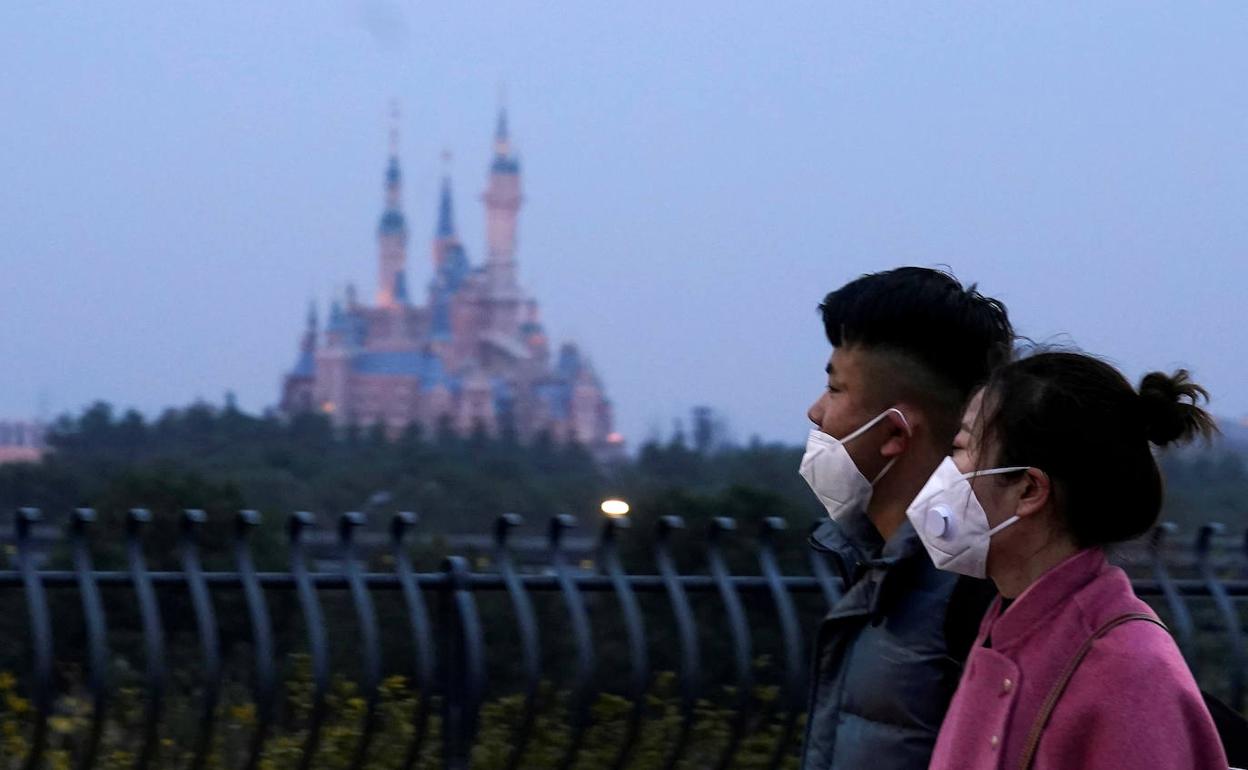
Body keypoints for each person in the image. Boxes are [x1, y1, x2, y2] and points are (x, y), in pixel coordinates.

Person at [913, 352, 1228, 769]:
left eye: (961, 447)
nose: (945, 472)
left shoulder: (1129, 669)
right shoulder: (1009, 623)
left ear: (1028, 490)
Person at [798, 267, 1014, 770]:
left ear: (895, 434)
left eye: (835, 389)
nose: (815, 412)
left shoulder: (983, 596)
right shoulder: (880, 571)